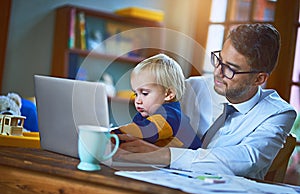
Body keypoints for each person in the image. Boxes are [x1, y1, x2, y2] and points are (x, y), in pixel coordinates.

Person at [115, 24, 297, 180]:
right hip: (167, 185)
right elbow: (151, 121)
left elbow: (246, 160)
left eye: (230, 69)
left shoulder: (278, 113)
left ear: (259, 79)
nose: (217, 72)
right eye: (219, 60)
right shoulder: (192, 87)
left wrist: (160, 155)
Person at [112, 53, 202, 150]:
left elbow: (145, 131)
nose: (137, 100)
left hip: (185, 163)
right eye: (136, 94)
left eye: (145, 93)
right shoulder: (145, 116)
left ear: (168, 94)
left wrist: (112, 134)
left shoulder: (171, 115)